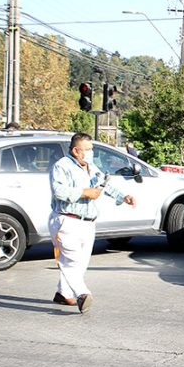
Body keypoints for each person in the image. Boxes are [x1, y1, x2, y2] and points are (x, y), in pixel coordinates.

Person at [48, 133, 135, 313]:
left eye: (91, 149)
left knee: (80, 262)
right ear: (75, 150)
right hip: (67, 219)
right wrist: (85, 192)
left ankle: (63, 293)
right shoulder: (62, 166)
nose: (90, 153)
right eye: (87, 149)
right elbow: (59, 191)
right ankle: (82, 294)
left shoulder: (91, 166)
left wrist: (123, 196)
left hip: (88, 221)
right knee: (70, 260)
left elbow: (104, 183)